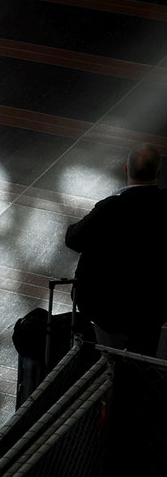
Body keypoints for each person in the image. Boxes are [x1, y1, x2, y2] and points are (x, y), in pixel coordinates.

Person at [65, 143, 167, 356]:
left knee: (111, 357)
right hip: (152, 304)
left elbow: (73, 239)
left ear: (126, 169)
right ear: (158, 173)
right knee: (144, 354)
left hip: (108, 306)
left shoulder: (111, 207)